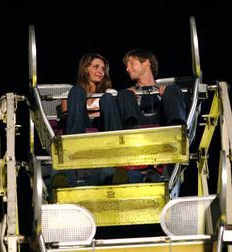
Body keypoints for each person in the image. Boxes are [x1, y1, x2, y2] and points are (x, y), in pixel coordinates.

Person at [116, 48, 187, 183]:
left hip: (163, 133)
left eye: (131, 63)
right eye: (127, 65)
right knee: (124, 94)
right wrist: (130, 99)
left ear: (146, 63)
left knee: (172, 89)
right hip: (138, 135)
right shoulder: (128, 94)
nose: (127, 68)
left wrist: (165, 96)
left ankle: (177, 134)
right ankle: (134, 135)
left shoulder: (165, 91)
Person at [58, 52, 122, 187]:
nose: (101, 72)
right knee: (76, 91)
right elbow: (68, 115)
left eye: (103, 69)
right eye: (96, 67)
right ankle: (75, 146)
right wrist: (92, 111)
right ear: (86, 68)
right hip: (81, 129)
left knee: (108, 98)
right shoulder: (72, 94)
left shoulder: (109, 94)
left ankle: (118, 150)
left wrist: (85, 110)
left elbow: (111, 114)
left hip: (102, 128)